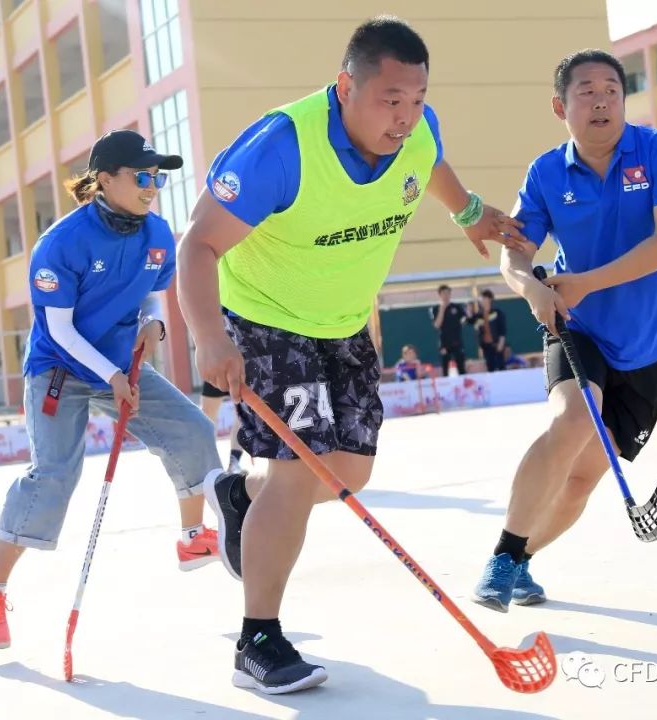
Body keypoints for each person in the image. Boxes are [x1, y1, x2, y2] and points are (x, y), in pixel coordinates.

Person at [176, 16, 524, 694]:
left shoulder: (418, 132)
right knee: (298, 474)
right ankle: (260, 640)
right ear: (345, 86)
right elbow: (196, 245)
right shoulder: (282, 148)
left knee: (349, 473)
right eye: (389, 99)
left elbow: (429, 165)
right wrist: (210, 338)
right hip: (267, 319)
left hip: (344, 323)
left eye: (417, 98)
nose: (404, 116)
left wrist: (470, 212)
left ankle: (241, 494)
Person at [0, 130, 223, 649]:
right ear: (105, 181)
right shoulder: (61, 244)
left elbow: (152, 297)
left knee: (192, 428)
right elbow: (59, 330)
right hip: (61, 370)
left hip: (119, 363)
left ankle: (193, 537)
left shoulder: (156, 233)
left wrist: (155, 325)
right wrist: (108, 377)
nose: (153, 187)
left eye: (159, 177)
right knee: (53, 476)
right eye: (142, 176)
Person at [472, 49, 657, 612]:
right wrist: (532, 289)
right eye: (586, 91)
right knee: (572, 420)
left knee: (584, 478)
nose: (601, 100)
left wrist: (587, 280)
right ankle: (502, 556)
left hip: (650, 343)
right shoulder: (546, 173)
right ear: (559, 105)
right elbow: (516, 255)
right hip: (579, 327)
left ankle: (520, 561)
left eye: (611, 90)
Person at [199, 380, 248, 472]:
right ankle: (207, 465)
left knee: (242, 415)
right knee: (206, 417)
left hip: (241, 370)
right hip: (216, 369)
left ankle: (234, 462)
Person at [429, 284, 469, 374]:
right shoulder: (435, 309)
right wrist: (442, 309)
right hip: (444, 343)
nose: (446, 295)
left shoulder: (457, 307)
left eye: (448, 293)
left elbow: (464, 320)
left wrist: (466, 316)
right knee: (445, 369)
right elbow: (437, 325)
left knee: (461, 368)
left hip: (457, 342)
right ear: (439, 295)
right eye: (443, 293)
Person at [471, 289, 507, 372]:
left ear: (490, 299)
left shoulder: (497, 312)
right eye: (481, 299)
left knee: (501, 367)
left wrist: (501, 342)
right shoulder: (479, 315)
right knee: (490, 368)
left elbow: (502, 329)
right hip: (486, 346)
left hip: (497, 344)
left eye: (484, 298)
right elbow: (474, 327)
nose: (482, 301)